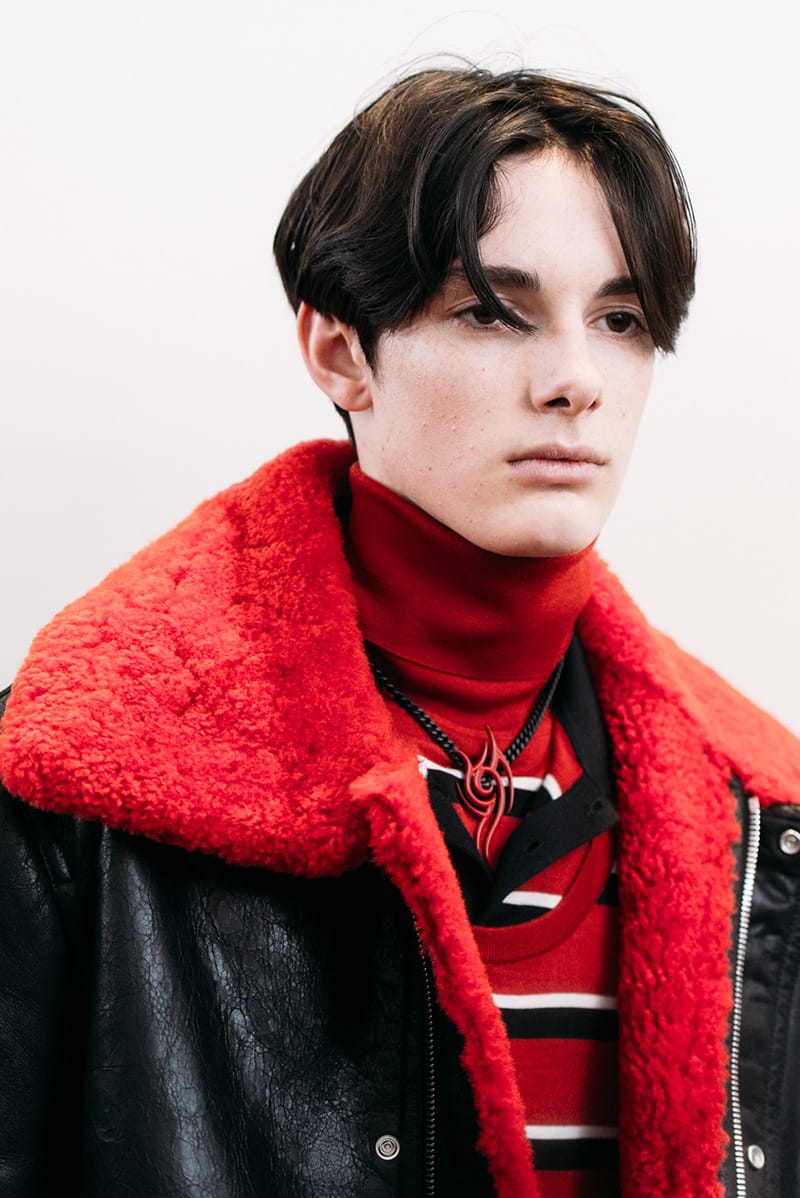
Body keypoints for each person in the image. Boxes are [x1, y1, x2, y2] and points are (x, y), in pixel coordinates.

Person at [1, 64, 798, 1198]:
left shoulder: (761, 815)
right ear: (338, 352)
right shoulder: (74, 785)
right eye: (492, 311)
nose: (576, 380)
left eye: (619, 319)